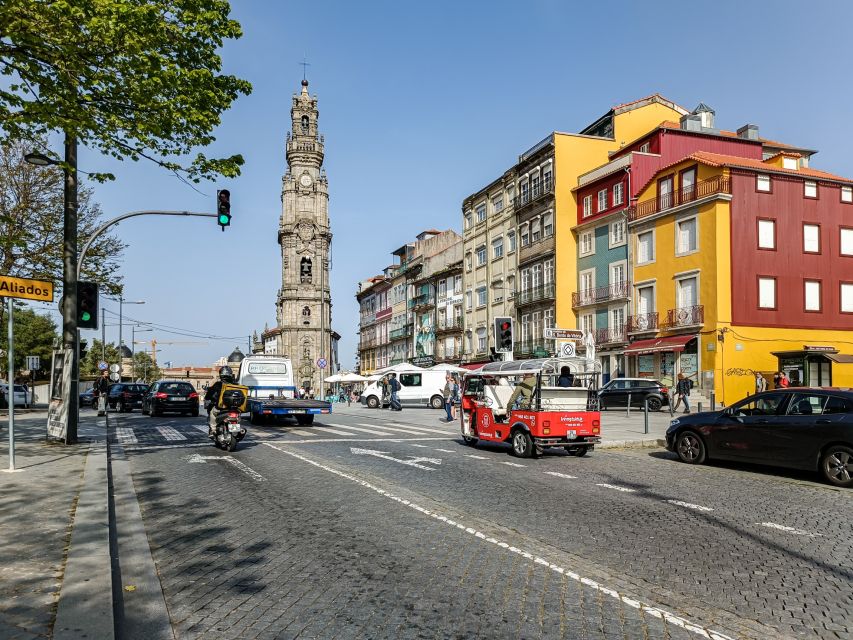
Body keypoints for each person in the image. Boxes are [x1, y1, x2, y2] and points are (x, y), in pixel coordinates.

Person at [204, 366, 235, 437]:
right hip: (234, 408)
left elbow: (209, 395)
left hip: (221, 407)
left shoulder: (218, 384)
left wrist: (208, 397)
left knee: (212, 412)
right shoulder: (235, 384)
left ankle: (213, 430)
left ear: (221, 374)